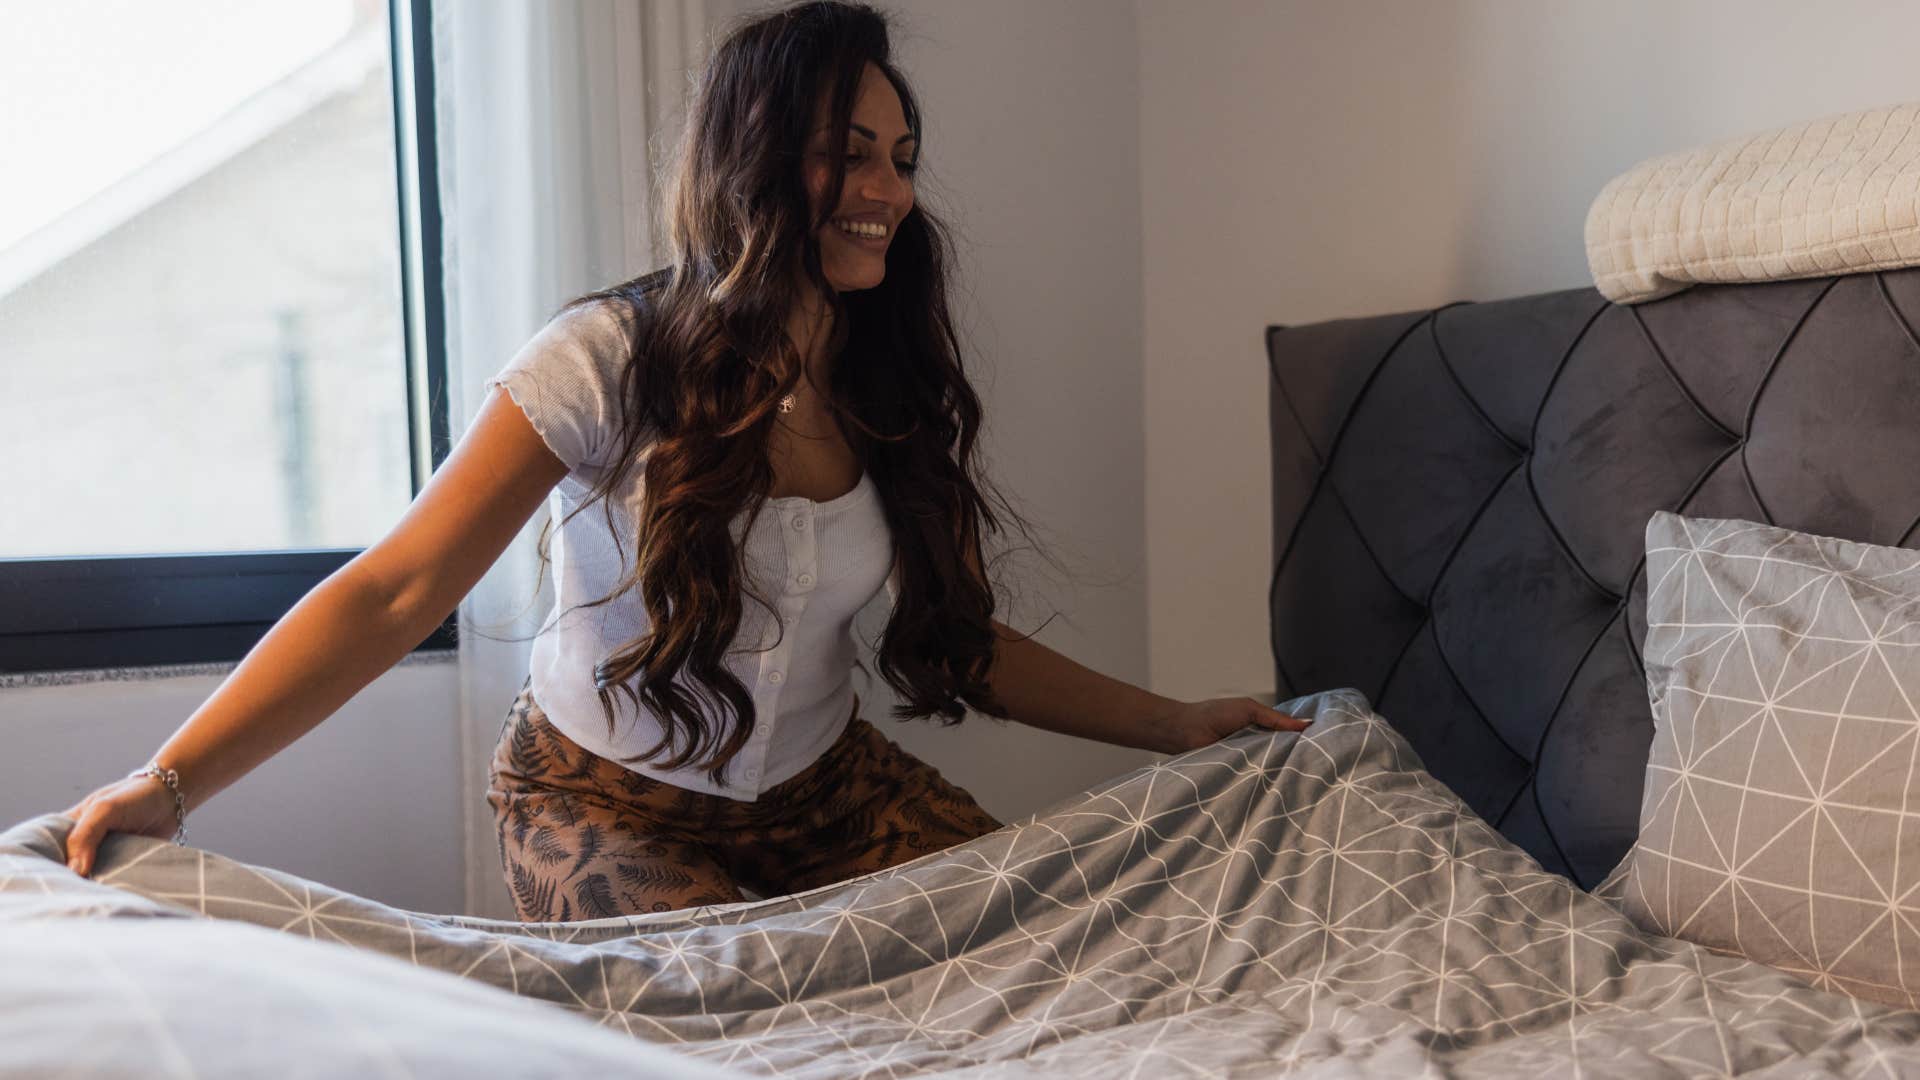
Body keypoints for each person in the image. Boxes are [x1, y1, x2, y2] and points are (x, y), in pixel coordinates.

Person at [57, 0, 1306, 919]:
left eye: (901, 157)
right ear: (755, 157)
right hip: (599, 800)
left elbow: (957, 639)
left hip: (829, 794)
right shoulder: (605, 358)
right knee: (727, 1016)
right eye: (849, 150)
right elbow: (393, 590)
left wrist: (1177, 723)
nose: (887, 189)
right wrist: (171, 783)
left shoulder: (886, 372)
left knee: (1048, 936)